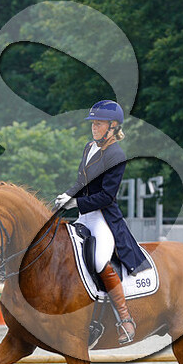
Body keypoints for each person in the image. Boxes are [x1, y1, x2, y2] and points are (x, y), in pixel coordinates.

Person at [54, 100, 150, 345]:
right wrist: (67, 195)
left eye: (99, 124)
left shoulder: (116, 155)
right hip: (84, 216)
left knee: (98, 260)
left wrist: (76, 203)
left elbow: (107, 196)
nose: (94, 127)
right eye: (93, 123)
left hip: (102, 218)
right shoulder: (89, 148)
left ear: (113, 126)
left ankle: (125, 319)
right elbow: (81, 182)